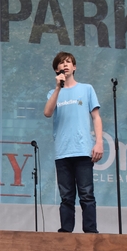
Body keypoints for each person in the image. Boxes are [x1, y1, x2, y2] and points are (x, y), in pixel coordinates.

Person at [44, 52, 103, 233]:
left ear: (74, 67)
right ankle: (66, 232)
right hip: (63, 152)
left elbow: (96, 117)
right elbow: (47, 112)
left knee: (86, 195)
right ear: (57, 69)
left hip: (83, 150)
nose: (65, 65)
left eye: (69, 62)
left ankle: (91, 233)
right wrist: (57, 88)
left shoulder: (86, 89)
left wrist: (99, 142)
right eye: (61, 63)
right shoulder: (53, 93)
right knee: (67, 196)